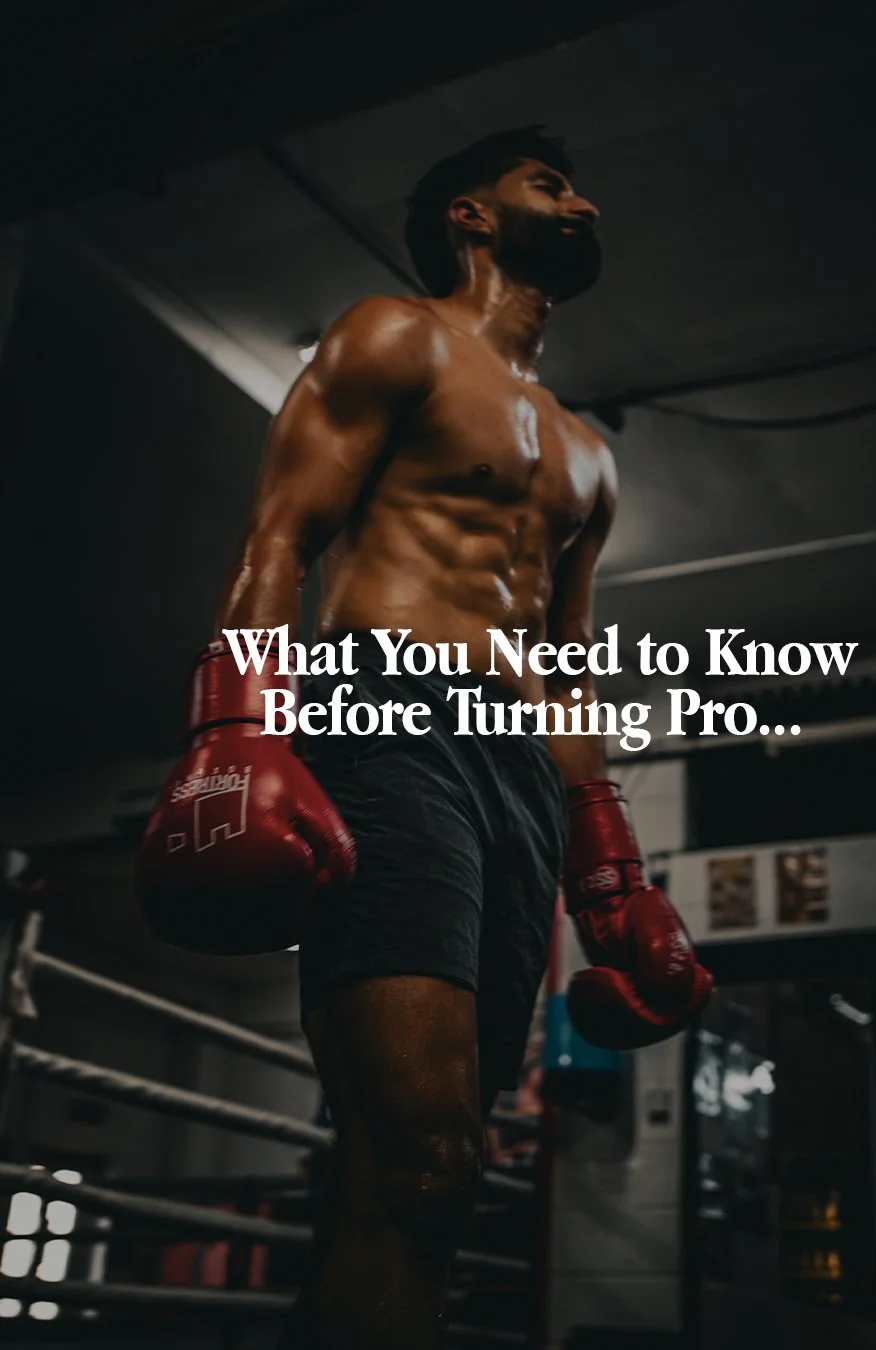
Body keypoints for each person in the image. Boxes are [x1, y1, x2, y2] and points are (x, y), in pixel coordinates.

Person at [138, 127, 712, 1348]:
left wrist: (610, 876)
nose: (584, 197)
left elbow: (563, 669)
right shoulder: (393, 334)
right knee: (424, 1156)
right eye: (549, 183)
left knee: (440, 1183)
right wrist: (240, 727)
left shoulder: (591, 456)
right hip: (386, 711)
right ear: (472, 215)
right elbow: (280, 538)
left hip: (518, 769)